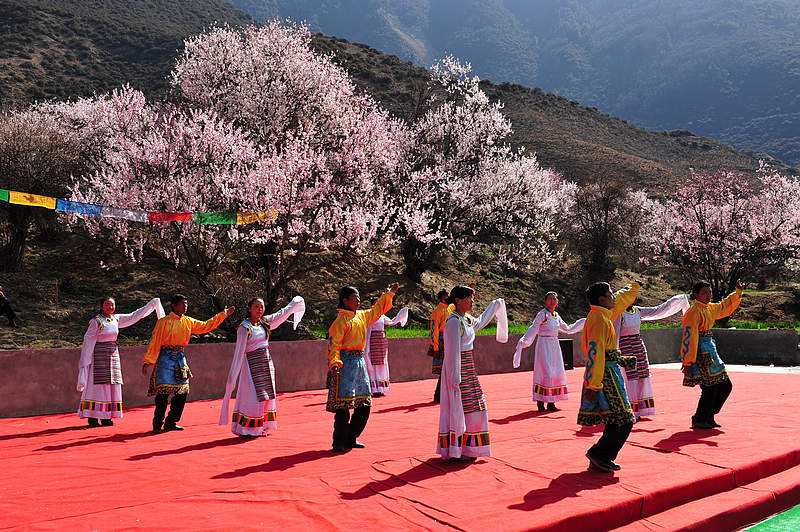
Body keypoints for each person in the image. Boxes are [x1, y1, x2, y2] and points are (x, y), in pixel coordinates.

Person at [142, 294, 234, 433]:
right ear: (174, 305)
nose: (185, 306)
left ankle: (171, 421)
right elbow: (155, 341)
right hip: (165, 358)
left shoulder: (188, 321)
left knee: (182, 393)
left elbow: (206, 326)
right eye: (182, 303)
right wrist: (148, 361)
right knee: (163, 393)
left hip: (180, 358)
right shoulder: (163, 322)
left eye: (186, 303)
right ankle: (157, 424)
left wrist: (223, 315)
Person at [437, 286, 507, 461]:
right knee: (464, 408)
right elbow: (452, 352)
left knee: (474, 406)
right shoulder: (453, 321)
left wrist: (495, 306)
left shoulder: (465, 319)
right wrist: (455, 379)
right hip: (459, 369)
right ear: (459, 300)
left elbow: (481, 321)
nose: (472, 301)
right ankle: (459, 450)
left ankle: (469, 449)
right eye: (469, 298)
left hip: (468, 367)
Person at [326, 282, 399, 452]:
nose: (358, 300)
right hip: (344, 364)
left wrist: (388, 295)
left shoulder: (361, 316)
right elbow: (334, 345)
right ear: (345, 300)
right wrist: (335, 362)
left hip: (359, 363)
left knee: (364, 403)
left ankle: (351, 437)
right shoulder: (340, 321)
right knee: (343, 406)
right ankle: (338, 442)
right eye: (354, 298)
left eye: (359, 297)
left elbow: (377, 310)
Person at [219, 296, 305, 437]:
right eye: (256, 306)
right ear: (249, 309)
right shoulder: (244, 327)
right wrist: (233, 377)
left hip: (266, 364)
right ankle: (248, 429)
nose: (259, 309)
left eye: (261, 306)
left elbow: (281, 314)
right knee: (253, 398)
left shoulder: (264, 322)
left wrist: (293, 304)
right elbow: (239, 352)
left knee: (267, 397)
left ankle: (262, 426)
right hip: (251, 367)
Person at [578, 281, 640, 473]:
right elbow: (595, 356)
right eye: (610, 294)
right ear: (601, 299)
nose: (613, 296)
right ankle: (599, 454)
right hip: (605, 375)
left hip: (608, 372)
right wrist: (593, 386)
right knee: (624, 418)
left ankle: (601, 455)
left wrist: (633, 288)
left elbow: (620, 300)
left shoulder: (602, 315)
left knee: (617, 419)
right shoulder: (599, 320)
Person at [77, 296, 164, 427]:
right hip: (99, 356)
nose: (110, 307)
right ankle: (93, 417)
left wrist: (151, 305)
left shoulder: (116, 319)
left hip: (113, 355)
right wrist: (86, 360)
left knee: (112, 384)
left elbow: (134, 316)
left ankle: (107, 416)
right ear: (102, 306)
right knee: (98, 386)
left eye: (112, 305)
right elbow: (88, 341)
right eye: (107, 304)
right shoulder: (96, 321)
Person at [614, 293, 689, 420]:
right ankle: (629, 409)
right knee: (630, 377)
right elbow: (615, 333)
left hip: (638, 346)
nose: (632, 299)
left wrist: (675, 301)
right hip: (625, 347)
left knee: (642, 376)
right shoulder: (618, 314)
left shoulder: (638, 310)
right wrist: (615, 351)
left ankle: (641, 409)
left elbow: (658, 310)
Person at [681, 281, 743, 429]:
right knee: (710, 387)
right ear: (696, 295)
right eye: (704, 292)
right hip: (699, 353)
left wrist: (737, 293)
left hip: (710, 349)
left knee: (724, 385)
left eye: (709, 292)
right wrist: (688, 361)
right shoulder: (693, 312)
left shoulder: (709, 308)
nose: (708, 295)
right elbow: (689, 337)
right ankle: (701, 418)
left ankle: (707, 415)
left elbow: (724, 306)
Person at [513, 291, 585, 412]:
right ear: (545, 301)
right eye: (550, 299)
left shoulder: (556, 316)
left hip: (554, 346)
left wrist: (583, 322)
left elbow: (567, 329)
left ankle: (551, 402)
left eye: (554, 299)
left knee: (556, 372)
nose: (552, 301)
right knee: (545, 372)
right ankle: (540, 402)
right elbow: (534, 328)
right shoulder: (542, 315)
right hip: (544, 345)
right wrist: (524, 341)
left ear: (557, 303)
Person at [363, 306, 410, 397]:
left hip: (381, 342)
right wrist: (367, 347)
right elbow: (368, 332)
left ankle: (381, 388)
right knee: (373, 364)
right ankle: (374, 389)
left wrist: (402, 313)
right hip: (373, 342)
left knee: (381, 364)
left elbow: (391, 322)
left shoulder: (381, 316)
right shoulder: (370, 316)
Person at [427, 289, 453, 403]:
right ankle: (438, 395)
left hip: (450, 339)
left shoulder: (451, 308)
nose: (449, 298)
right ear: (442, 298)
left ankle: (443, 395)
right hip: (442, 340)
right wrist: (436, 347)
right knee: (444, 369)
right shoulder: (437, 311)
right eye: (447, 296)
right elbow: (434, 331)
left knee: (449, 369)